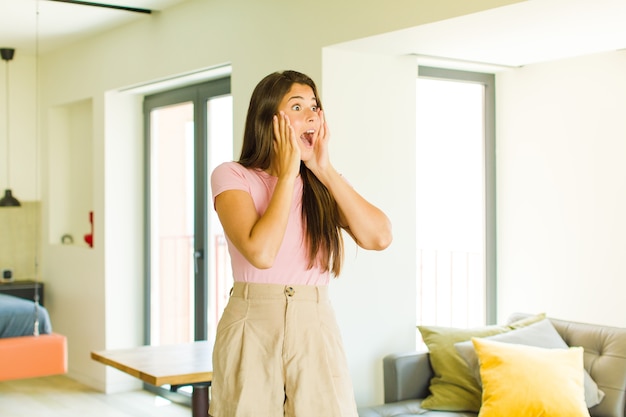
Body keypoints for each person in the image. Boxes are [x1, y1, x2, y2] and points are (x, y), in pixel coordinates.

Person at [208, 70, 392, 417]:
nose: (312, 114)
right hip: (252, 323)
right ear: (268, 119)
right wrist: (288, 174)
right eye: (297, 106)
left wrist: (323, 168)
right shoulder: (232, 175)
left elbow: (379, 237)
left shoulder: (323, 184)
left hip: (315, 323)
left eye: (315, 106)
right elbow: (261, 253)